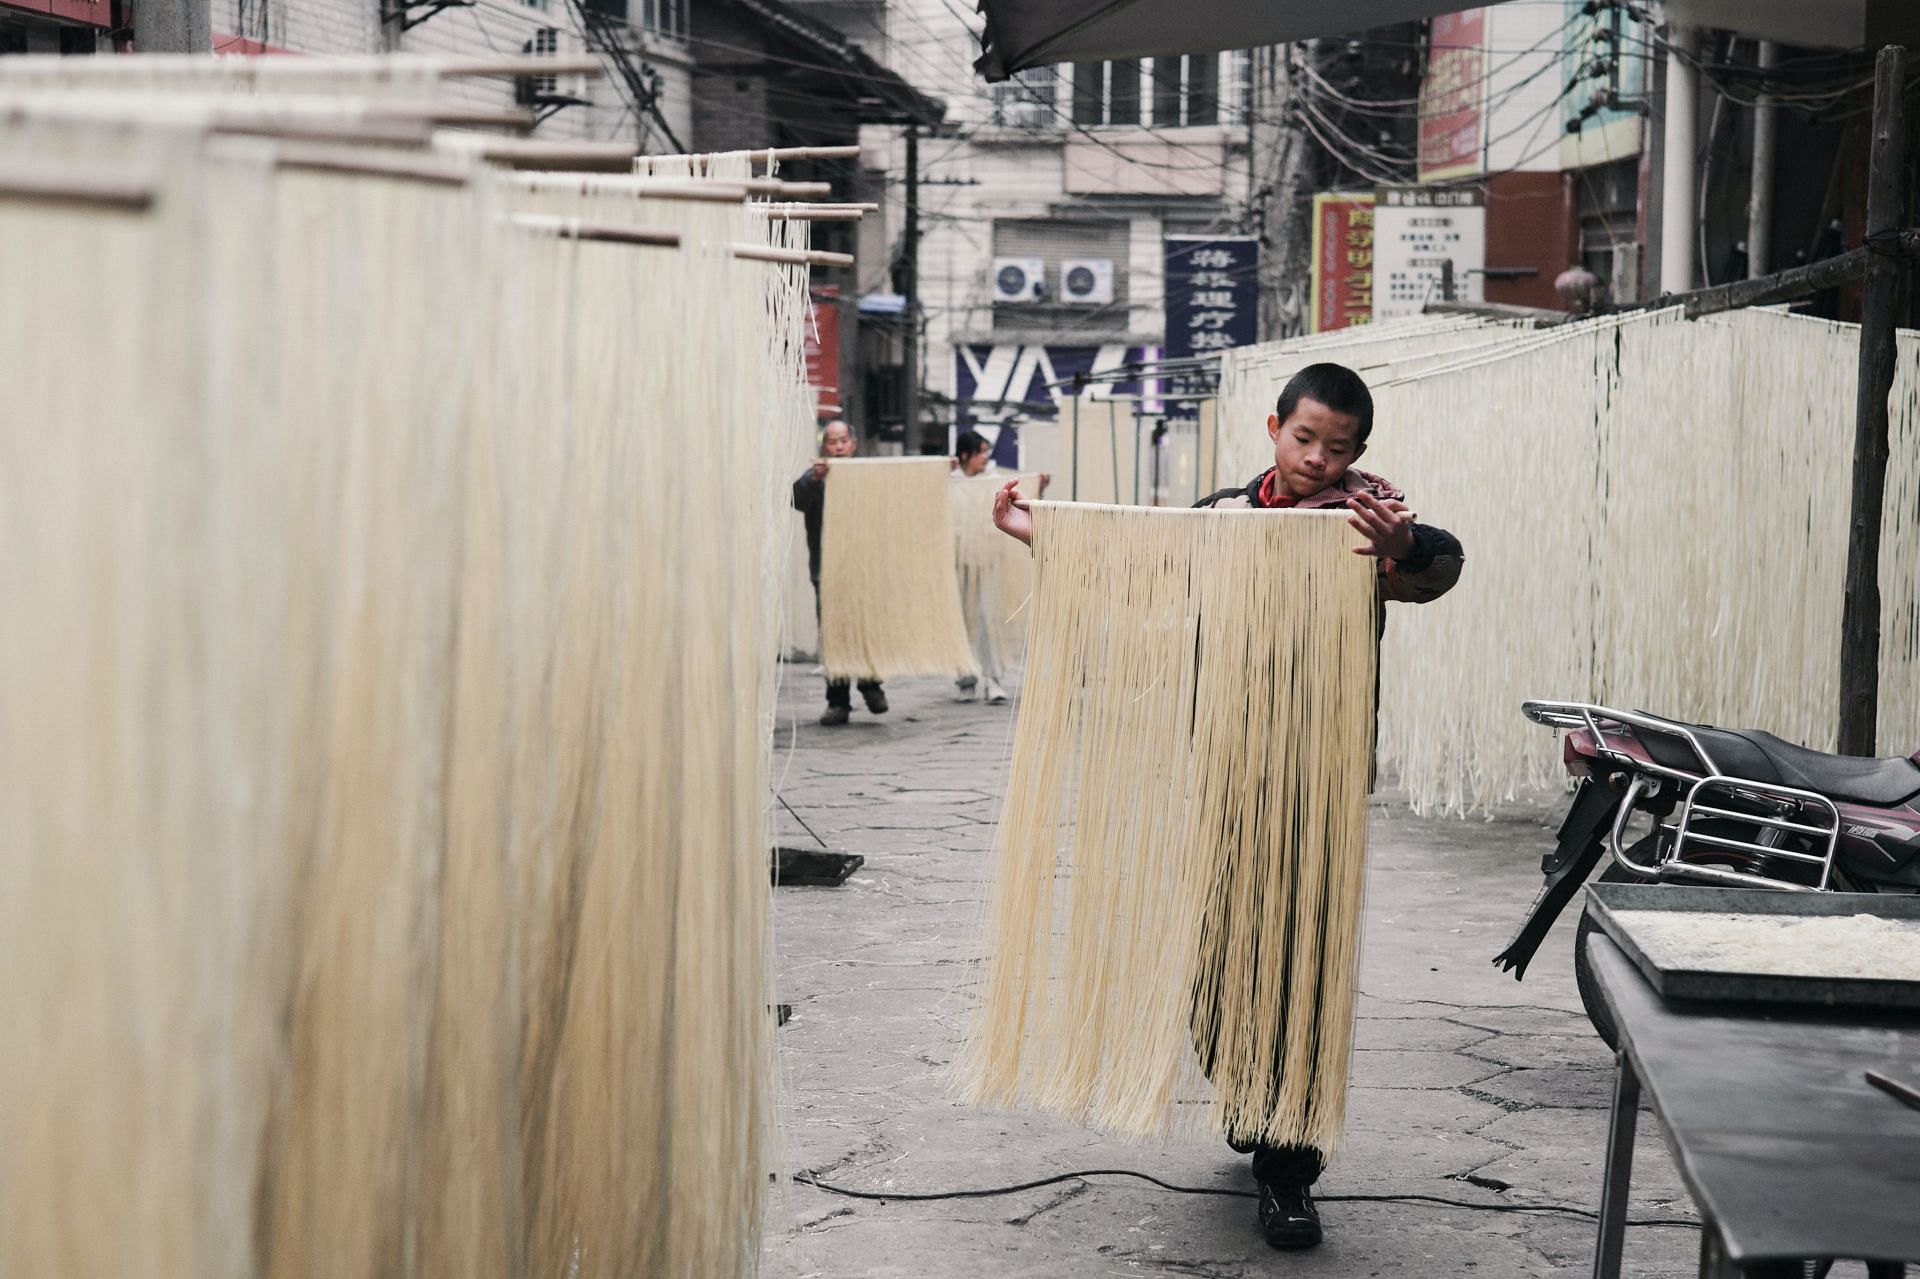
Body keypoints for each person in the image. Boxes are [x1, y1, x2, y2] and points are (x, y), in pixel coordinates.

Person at [991, 363, 1464, 1253]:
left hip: (1317, 784)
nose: (1319, 458)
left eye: (1340, 446)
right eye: (1306, 437)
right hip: (1225, 767)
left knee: (1301, 962)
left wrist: (1402, 545)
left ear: (1360, 451)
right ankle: (1245, 1083)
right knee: (1219, 950)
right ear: (1275, 426)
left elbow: (1440, 565)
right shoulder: (1222, 517)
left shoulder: (1366, 528)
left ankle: (1289, 1163)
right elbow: (1137, 564)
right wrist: (1034, 533)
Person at [793, 420, 887, 726]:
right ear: (824, 447)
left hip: (864, 569)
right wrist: (816, 480)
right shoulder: (814, 477)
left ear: (854, 444)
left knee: (866, 628)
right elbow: (797, 499)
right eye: (832, 441)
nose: (838, 446)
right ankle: (837, 702)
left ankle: (871, 684)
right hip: (827, 572)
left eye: (843, 440)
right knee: (833, 634)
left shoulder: (868, 478)